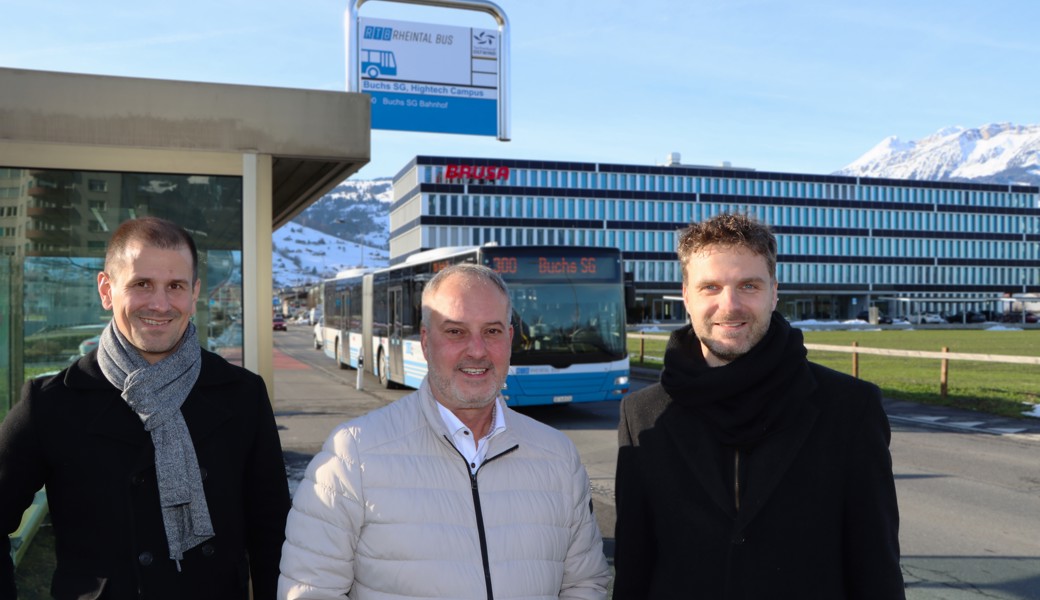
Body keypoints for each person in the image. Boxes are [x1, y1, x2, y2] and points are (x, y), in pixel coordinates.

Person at [612, 213, 905, 599]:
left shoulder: (850, 408)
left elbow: (877, 569)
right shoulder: (641, 415)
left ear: (774, 292)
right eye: (710, 287)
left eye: (748, 285)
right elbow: (633, 568)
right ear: (686, 296)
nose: (729, 305)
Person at [279, 263, 610, 599]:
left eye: (492, 331)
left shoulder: (559, 458)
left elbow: (584, 585)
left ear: (510, 339)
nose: (477, 350)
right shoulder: (352, 457)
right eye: (455, 332)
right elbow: (310, 591)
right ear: (426, 342)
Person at [0, 217, 291, 600]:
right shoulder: (50, 402)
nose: (160, 303)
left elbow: (273, 535)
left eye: (175, 286)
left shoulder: (242, 395)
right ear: (106, 290)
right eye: (141, 284)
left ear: (194, 293)